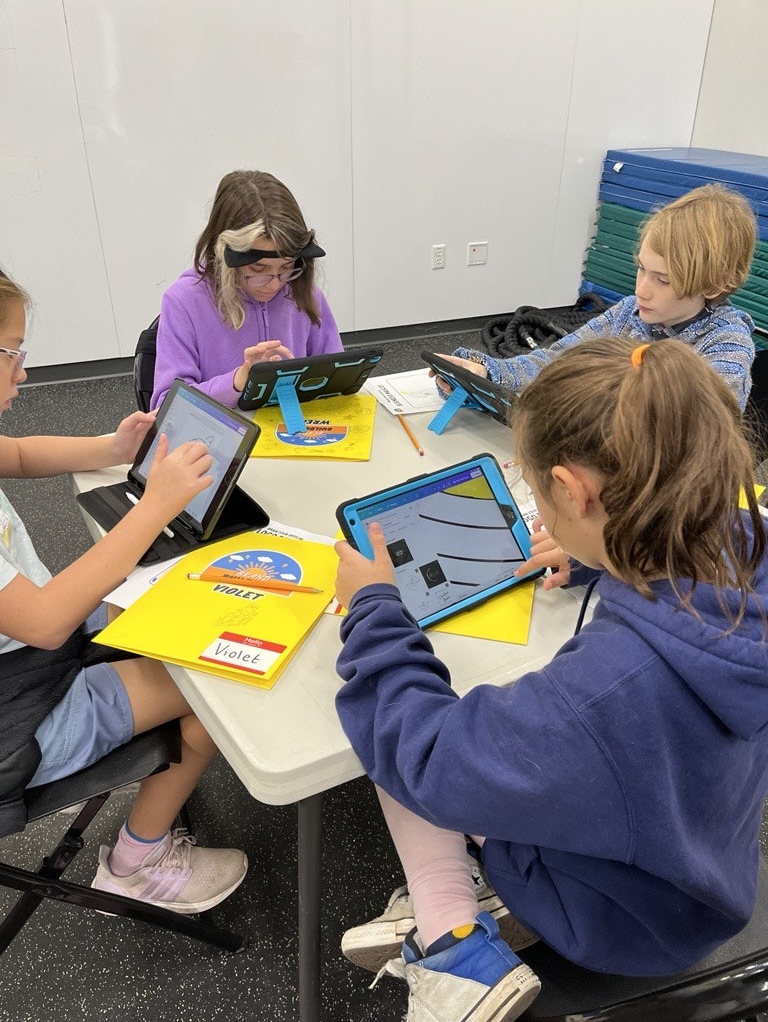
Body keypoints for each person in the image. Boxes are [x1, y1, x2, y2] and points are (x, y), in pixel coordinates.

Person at [333, 336, 768, 1022]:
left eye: (539, 493)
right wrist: (608, 550)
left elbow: (428, 756)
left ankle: (455, 945)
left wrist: (375, 609)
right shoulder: (745, 540)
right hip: (702, 870)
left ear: (574, 490)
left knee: (393, 718)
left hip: (617, 918)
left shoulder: (601, 693)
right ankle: (479, 899)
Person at [0, 270, 247, 913]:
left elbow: (20, 454)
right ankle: (135, 864)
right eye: (12, 353)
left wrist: (112, 446)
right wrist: (155, 505)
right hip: (16, 711)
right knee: (215, 691)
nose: (23, 372)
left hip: (23, 655)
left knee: (159, 606)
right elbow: (49, 620)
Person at [440, 183, 758, 411]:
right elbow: (556, 360)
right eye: (641, 270)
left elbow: (684, 422)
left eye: (663, 280)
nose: (641, 289)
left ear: (714, 286)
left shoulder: (726, 345)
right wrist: (486, 373)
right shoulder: (629, 312)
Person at [151, 169, 343, 410]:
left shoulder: (304, 293)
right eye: (257, 269)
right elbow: (164, 406)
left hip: (293, 433)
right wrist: (237, 382)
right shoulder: (183, 301)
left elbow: (335, 378)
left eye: (286, 267)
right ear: (225, 256)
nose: (274, 283)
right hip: (219, 439)